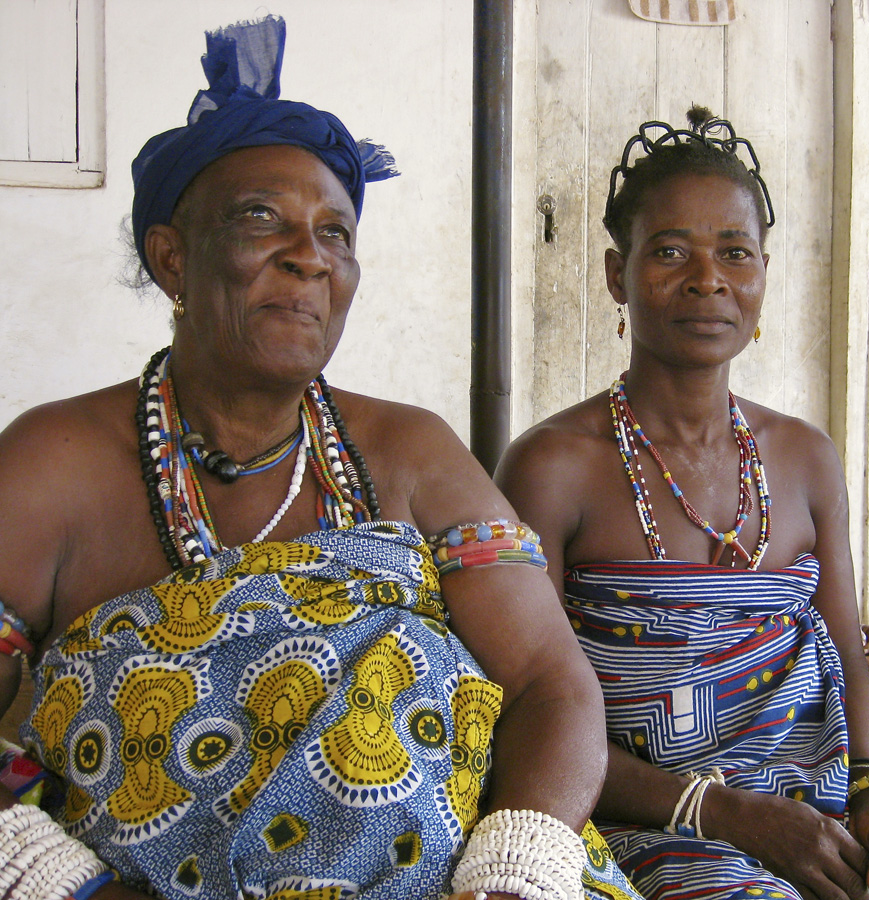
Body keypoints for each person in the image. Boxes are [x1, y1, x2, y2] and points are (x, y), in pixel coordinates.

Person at [0, 17, 640, 900]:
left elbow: (551, 683)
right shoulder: (51, 462)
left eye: (337, 232)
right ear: (171, 257)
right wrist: (56, 879)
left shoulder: (413, 451)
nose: (310, 256)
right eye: (262, 218)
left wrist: (516, 869)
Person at [496, 106, 869, 900]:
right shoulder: (552, 466)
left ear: (763, 272)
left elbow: (848, 654)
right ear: (615, 274)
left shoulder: (805, 457)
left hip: (829, 805)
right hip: (658, 824)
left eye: (735, 253)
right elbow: (526, 704)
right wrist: (728, 814)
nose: (708, 279)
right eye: (670, 251)